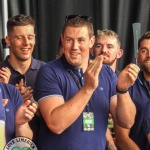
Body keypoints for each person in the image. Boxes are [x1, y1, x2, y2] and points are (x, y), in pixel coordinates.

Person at [34, 15, 139, 150]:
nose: (74, 47)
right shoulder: (49, 72)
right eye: (69, 40)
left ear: (91, 41)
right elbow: (56, 125)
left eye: (81, 40)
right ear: (62, 39)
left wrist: (122, 90)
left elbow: (127, 122)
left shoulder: (106, 72)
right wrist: (88, 88)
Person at [0, 14, 45, 144]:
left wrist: (31, 103)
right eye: (19, 38)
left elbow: (57, 119)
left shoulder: (47, 71)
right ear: (8, 40)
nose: (26, 43)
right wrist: (9, 95)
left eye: (30, 37)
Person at [115, 31, 150, 150]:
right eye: (144, 50)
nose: (149, 55)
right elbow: (121, 138)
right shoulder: (128, 85)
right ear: (138, 56)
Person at [93, 29, 124, 149]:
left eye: (110, 46)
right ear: (92, 49)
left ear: (119, 53)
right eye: (99, 46)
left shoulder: (126, 82)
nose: (103, 50)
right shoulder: (83, 79)